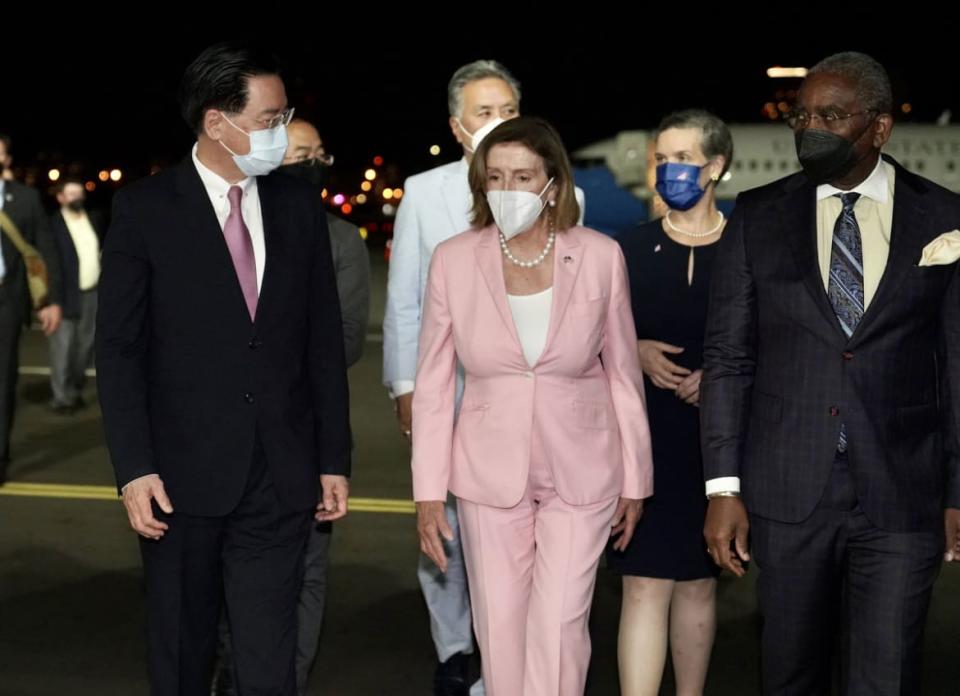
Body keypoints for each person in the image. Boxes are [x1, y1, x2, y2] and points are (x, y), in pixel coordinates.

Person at [96, 42, 351, 695]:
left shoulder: (297, 206)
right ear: (217, 122)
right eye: (269, 118)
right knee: (182, 656)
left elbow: (320, 340)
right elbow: (120, 349)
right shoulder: (146, 210)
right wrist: (135, 468)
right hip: (179, 482)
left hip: (280, 476)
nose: (280, 130)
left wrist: (332, 458)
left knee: (270, 663)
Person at [701, 52, 960, 695]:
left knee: (886, 676)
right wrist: (723, 487)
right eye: (803, 115)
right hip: (788, 491)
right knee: (790, 674)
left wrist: (959, 489)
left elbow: (956, 364)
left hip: (904, 491)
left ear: (878, 127)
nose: (811, 127)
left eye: (832, 115)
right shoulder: (758, 216)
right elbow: (729, 360)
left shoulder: (945, 218)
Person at [413, 117, 652, 696]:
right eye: (495, 177)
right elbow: (434, 382)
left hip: (585, 465)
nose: (507, 189)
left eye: (523, 176)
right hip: (487, 470)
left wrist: (636, 478)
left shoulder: (599, 256)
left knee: (561, 620)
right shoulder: (453, 259)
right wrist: (426, 492)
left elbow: (622, 370)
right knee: (499, 622)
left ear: (553, 183)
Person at [383, 58, 522, 696]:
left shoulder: (556, 191)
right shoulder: (424, 191)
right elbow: (405, 298)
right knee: (447, 532)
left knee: (513, 528)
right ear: (457, 125)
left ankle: (509, 650)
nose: (497, 124)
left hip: (524, 398)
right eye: (484, 113)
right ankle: (454, 647)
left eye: (509, 112)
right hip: (450, 391)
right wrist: (405, 386)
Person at [608, 109, 732, 696]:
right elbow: (586, 336)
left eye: (683, 158)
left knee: (700, 584)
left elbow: (776, 341)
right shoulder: (624, 250)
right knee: (643, 582)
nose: (668, 169)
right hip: (641, 437)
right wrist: (628, 351)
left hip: (718, 440)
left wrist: (722, 377)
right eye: (662, 157)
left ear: (716, 167)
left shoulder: (747, 250)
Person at [0, 132, 62, 484]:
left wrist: (49, 301)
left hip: (6, 303)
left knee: (3, 382)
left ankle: (0, 455)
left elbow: (45, 249)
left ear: (6, 159)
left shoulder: (23, 199)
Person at [48, 177, 104, 413]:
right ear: (61, 197)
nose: (77, 197)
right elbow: (50, 265)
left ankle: (74, 390)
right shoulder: (53, 225)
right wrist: (52, 301)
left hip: (92, 293)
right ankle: (61, 398)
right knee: (63, 347)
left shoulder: (93, 219)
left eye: (79, 193)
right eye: (71, 194)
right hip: (65, 295)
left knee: (85, 345)